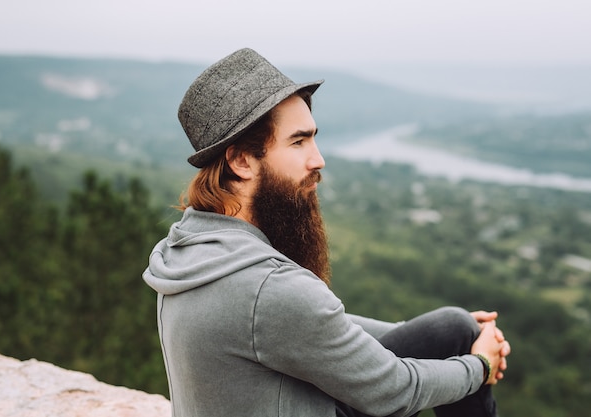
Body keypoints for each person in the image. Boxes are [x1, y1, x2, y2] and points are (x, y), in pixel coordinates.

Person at [143, 48, 511, 417]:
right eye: (298, 141)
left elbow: (315, 325)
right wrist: (479, 365)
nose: (317, 159)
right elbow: (394, 391)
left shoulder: (189, 250)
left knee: (454, 327)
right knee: (456, 341)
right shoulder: (266, 287)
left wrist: (428, 333)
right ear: (241, 161)